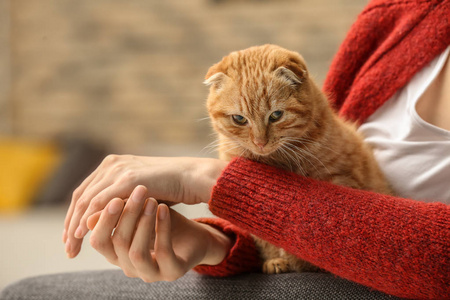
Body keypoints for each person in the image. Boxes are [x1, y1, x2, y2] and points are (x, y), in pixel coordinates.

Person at [1, 0, 449, 299]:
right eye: (239, 122)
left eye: (272, 121)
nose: (257, 140)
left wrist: (212, 180)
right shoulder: (399, 15)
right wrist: (215, 243)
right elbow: (299, 206)